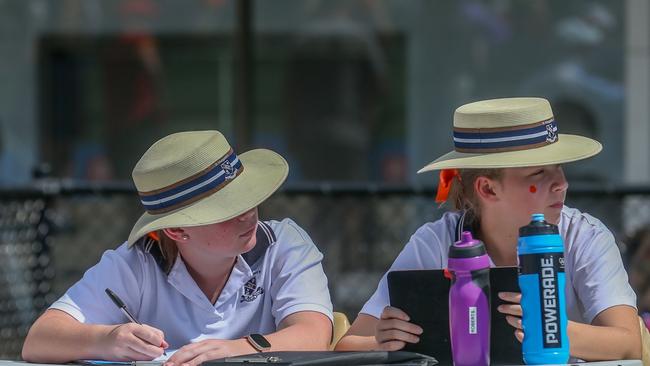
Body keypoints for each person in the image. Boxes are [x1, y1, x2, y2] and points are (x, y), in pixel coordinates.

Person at [335, 97, 642, 361]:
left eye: (559, 168)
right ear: (488, 189)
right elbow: (348, 344)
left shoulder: (584, 236)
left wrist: (549, 329)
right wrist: (380, 340)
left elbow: (630, 344)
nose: (562, 183)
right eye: (539, 173)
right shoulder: (435, 242)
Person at [22, 130, 333, 365]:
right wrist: (107, 339)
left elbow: (315, 335)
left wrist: (235, 351)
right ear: (176, 230)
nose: (248, 212)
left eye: (248, 196)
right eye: (227, 208)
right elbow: (39, 339)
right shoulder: (137, 262)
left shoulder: (285, 244)